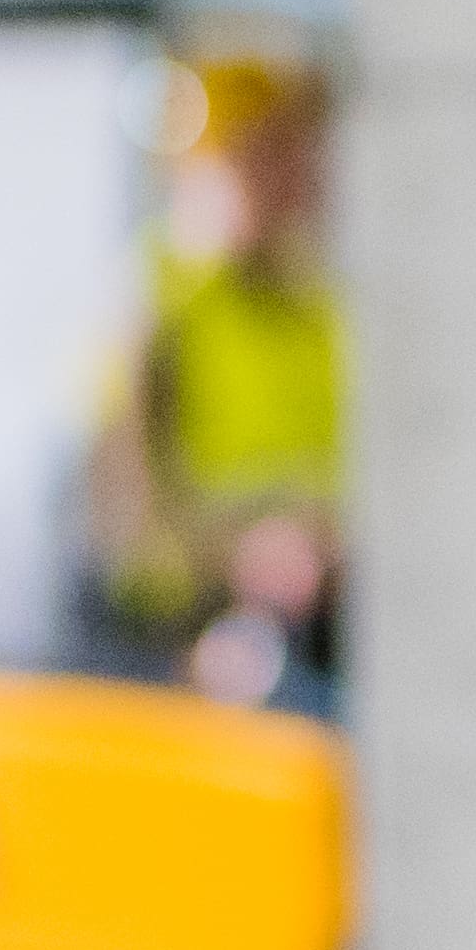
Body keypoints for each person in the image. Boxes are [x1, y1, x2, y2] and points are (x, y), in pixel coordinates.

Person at [81, 46, 347, 706]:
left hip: (320, 616)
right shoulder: (154, 311)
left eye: (299, 153)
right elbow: (129, 528)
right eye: (269, 154)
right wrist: (244, 553)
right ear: (205, 167)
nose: (299, 178)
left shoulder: (315, 311)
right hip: (194, 638)